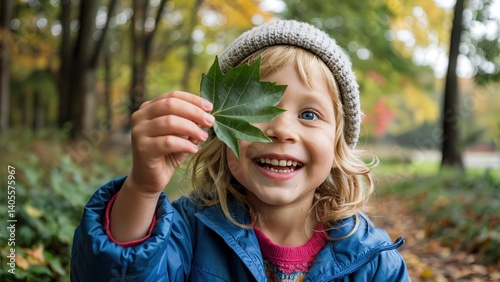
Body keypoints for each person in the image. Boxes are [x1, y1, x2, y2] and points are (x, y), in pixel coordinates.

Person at [71, 20, 410, 281]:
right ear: (219, 127)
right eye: (259, 111)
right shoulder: (185, 233)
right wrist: (143, 188)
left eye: (309, 114)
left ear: (338, 143)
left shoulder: (374, 261)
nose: (281, 130)